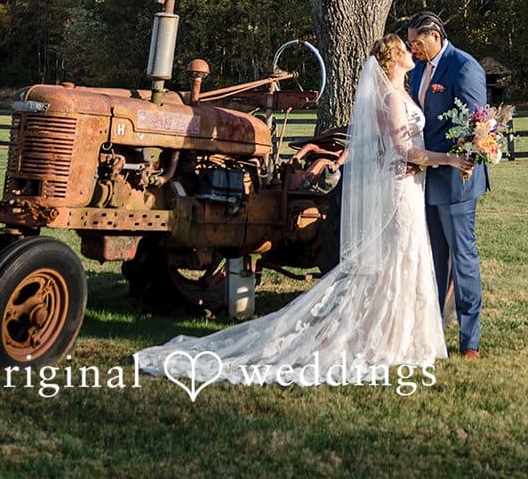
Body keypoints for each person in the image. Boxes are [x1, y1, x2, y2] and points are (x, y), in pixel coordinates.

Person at [133, 34, 468, 389]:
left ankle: (404, 335)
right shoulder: (390, 98)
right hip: (400, 189)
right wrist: (447, 159)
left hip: (410, 188)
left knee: (406, 258)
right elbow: (403, 149)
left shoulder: (403, 94)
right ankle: (386, 338)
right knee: (396, 257)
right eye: (406, 50)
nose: (412, 53)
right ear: (395, 59)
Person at [407, 12, 489, 360]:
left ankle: (470, 339)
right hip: (426, 179)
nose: (413, 49)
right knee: (434, 260)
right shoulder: (416, 71)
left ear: (436, 36)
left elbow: (477, 124)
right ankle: (434, 331)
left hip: (457, 181)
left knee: (463, 257)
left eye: (418, 42)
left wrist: (462, 160)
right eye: (410, 43)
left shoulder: (464, 67)